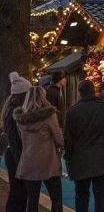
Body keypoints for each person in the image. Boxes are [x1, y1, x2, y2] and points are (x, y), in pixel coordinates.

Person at [64, 80, 104, 212]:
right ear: (94, 90)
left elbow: (67, 140)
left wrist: (68, 157)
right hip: (102, 158)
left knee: (81, 195)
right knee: (101, 196)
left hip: (80, 160)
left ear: (80, 93)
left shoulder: (71, 112)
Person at [13, 86, 64, 212]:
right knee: (56, 198)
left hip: (29, 161)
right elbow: (59, 140)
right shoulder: (49, 116)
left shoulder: (21, 119)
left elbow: (21, 139)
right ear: (43, 97)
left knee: (32, 199)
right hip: (48, 162)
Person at [1, 72, 31, 212]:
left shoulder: (10, 109)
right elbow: (14, 140)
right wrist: (21, 161)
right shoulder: (14, 111)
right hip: (16, 156)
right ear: (22, 94)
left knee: (17, 191)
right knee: (18, 192)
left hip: (15, 155)